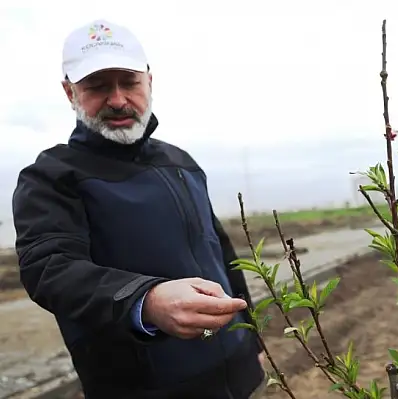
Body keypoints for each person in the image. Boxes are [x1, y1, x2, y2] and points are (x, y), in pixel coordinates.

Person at [11, 19, 267, 399]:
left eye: (128, 82)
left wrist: (253, 340)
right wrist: (145, 300)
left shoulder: (181, 163)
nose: (117, 100)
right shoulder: (51, 177)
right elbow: (50, 268)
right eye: (97, 86)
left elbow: (221, 253)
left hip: (241, 376)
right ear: (69, 93)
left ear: (150, 82)